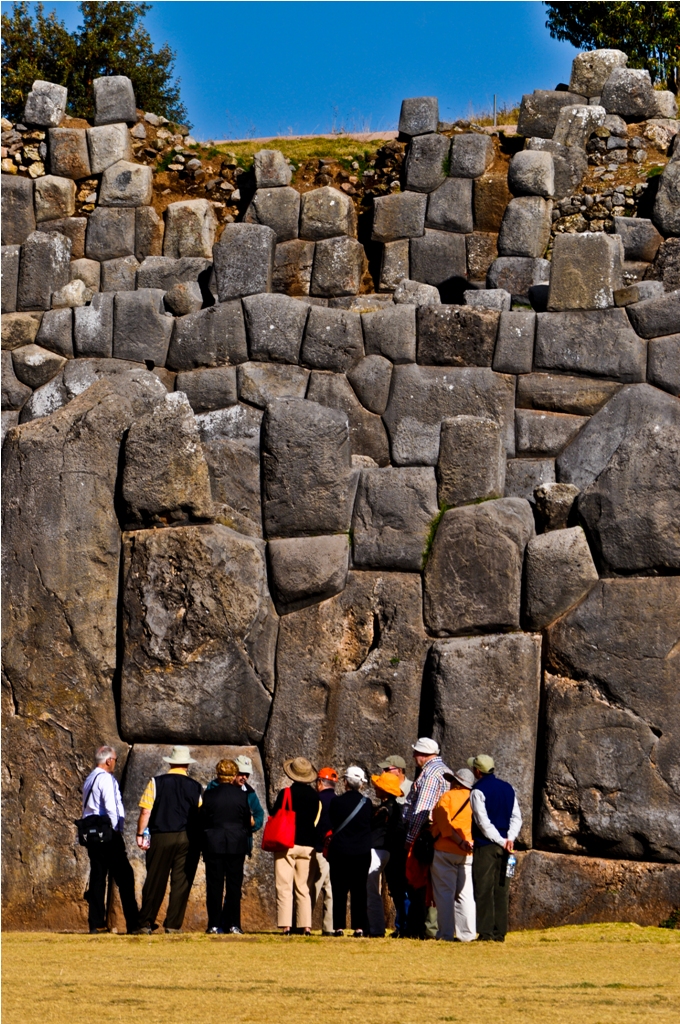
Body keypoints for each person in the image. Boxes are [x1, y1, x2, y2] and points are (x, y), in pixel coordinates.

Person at [135, 745, 203, 935]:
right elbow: (200, 813)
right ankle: (173, 925)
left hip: (161, 836)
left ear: (171, 763)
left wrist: (140, 834)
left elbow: (145, 811)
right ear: (187, 766)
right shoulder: (196, 786)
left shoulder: (156, 783)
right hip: (188, 838)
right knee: (181, 882)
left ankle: (145, 923)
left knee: (155, 880)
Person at [81, 745, 139, 934]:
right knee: (125, 876)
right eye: (115, 759)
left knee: (98, 876)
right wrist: (116, 829)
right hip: (107, 833)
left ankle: (95, 922)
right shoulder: (105, 778)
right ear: (108, 761)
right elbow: (111, 805)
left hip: (91, 833)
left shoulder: (90, 778)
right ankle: (133, 923)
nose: (115, 762)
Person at [468, 754, 522, 943]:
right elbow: (517, 817)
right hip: (507, 846)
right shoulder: (508, 788)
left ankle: (485, 932)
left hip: (487, 845)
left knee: (483, 889)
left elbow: (482, 823)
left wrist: (500, 840)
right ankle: (500, 932)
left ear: (477, 771)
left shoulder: (477, 791)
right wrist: (510, 839)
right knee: (501, 889)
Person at [402, 738, 452, 939]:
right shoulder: (444, 770)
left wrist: (410, 837)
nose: (414, 757)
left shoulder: (431, 774)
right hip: (439, 834)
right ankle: (432, 927)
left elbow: (422, 810)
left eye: (416, 753)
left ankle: (423, 928)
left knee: (420, 881)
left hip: (425, 834)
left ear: (423, 754)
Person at [201, 759, 252, 934]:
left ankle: (214, 924)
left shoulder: (209, 795)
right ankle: (233, 924)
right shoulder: (242, 796)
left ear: (218, 775)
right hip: (236, 843)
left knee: (214, 885)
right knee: (234, 886)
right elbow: (246, 821)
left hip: (214, 842)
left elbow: (203, 819)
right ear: (233, 776)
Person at [271, 756, 321, 936]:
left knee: (284, 886)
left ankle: (286, 926)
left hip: (287, 842)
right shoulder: (315, 796)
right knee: (304, 887)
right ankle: (306, 926)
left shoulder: (285, 793)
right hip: (308, 845)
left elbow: (275, 812)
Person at [430, 767, 476, 942]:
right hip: (468, 852)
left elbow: (444, 825)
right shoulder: (475, 799)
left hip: (445, 850)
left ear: (457, 782)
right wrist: (466, 843)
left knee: (444, 894)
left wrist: (458, 841)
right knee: (465, 895)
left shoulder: (447, 797)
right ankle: (467, 934)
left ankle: (445, 934)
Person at [328, 766, 373, 937]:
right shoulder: (367, 803)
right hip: (361, 852)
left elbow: (333, 821)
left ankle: (338, 927)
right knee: (359, 890)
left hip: (339, 851)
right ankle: (359, 927)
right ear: (361, 784)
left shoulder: (336, 802)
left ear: (345, 782)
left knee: (339, 890)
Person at [205, 754, 265, 858]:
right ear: (234, 772)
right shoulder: (213, 787)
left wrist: (253, 823)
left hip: (238, 844)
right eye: (241, 773)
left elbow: (259, 813)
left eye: (247, 774)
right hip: (216, 844)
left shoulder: (249, 792)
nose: (244, 777)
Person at [366, 771, 404, 937]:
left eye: (378, 786)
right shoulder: (399, 808)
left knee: (371, 890)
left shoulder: (382, 810)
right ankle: (401, 925)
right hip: (390, 851)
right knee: (396, 891)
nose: (375, 788)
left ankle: (376, 928)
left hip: (377, 850)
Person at [311, 766, 338, 936]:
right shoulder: (338, 801)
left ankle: (303, 923)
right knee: (331, 891)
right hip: (334, 851)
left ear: (320, 782)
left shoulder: (316, 800)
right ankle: (329, 928)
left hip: (318, 848)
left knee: (312, 888)